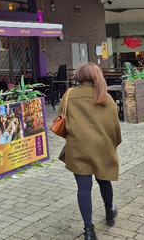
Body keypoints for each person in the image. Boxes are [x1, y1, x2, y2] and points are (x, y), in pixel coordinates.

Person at [58, 63, 122, 240]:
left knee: (83, 188)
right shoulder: (106, 98)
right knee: (104, 181)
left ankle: (89, 230)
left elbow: (61, 117)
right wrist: (111, 145)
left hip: (78, 148)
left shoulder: (70, 95)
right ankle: (109, 211)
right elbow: (115, 129)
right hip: (102, 148)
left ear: (80, 76)